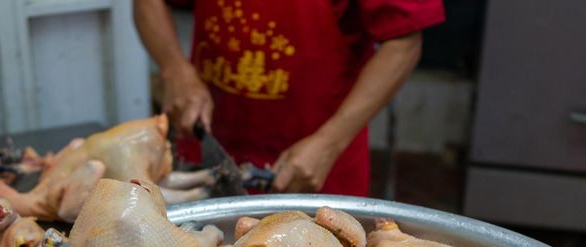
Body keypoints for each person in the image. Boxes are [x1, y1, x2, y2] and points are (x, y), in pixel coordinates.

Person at [134, 0, 444, 196]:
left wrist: (330, 143)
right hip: (206, 147)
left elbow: (403, 42)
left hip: (317, 162)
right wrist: (174, 69)